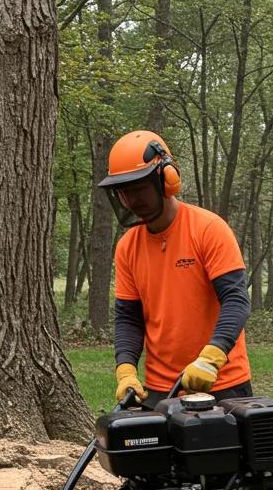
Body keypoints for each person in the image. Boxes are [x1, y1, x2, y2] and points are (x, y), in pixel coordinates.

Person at [98, 130, 252, 409]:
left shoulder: (208, 229)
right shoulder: (127, 247)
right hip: (159, 390)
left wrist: (211, 358)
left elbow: (236, 300)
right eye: (124, 192)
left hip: (222, 384)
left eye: (139, 188)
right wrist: (126, 371)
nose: (132, 200)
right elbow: (128, 318)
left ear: (167, 178)